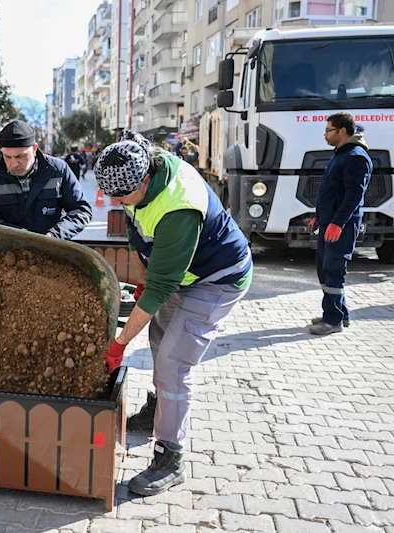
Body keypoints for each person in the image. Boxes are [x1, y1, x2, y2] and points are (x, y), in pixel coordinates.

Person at [95, 130, 252, 496]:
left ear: (146, 181)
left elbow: (163, 289)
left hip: (217, 279)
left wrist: (118, 344)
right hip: (181, 274)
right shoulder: (134, 178)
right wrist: (145, 277)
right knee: (157, 337)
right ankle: (157, 411)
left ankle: (170, 458)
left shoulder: (178, 206)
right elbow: (136, 233)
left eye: (121, 196)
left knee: (173, 363)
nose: (116, 202)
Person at [307, 112, 372, 335]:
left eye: (328, 130)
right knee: (325, 270)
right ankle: (338, 314)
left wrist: (337, 223)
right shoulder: (341, 154)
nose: (325, 135)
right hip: (330, 221)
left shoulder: (355, 157)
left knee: (334, 269)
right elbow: (331, 191)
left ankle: (332, 320)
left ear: (342, 131)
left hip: (341, 225)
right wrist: (319, 216)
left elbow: (354, 196)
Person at [0, 120, 92, 239]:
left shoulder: (58, 170)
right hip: (9, 250)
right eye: (8, 157)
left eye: (20, 156)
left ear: (34, 148)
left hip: (52, 248)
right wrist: (20, 236)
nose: (14, 164)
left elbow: (81, 211)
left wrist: (55, 235)